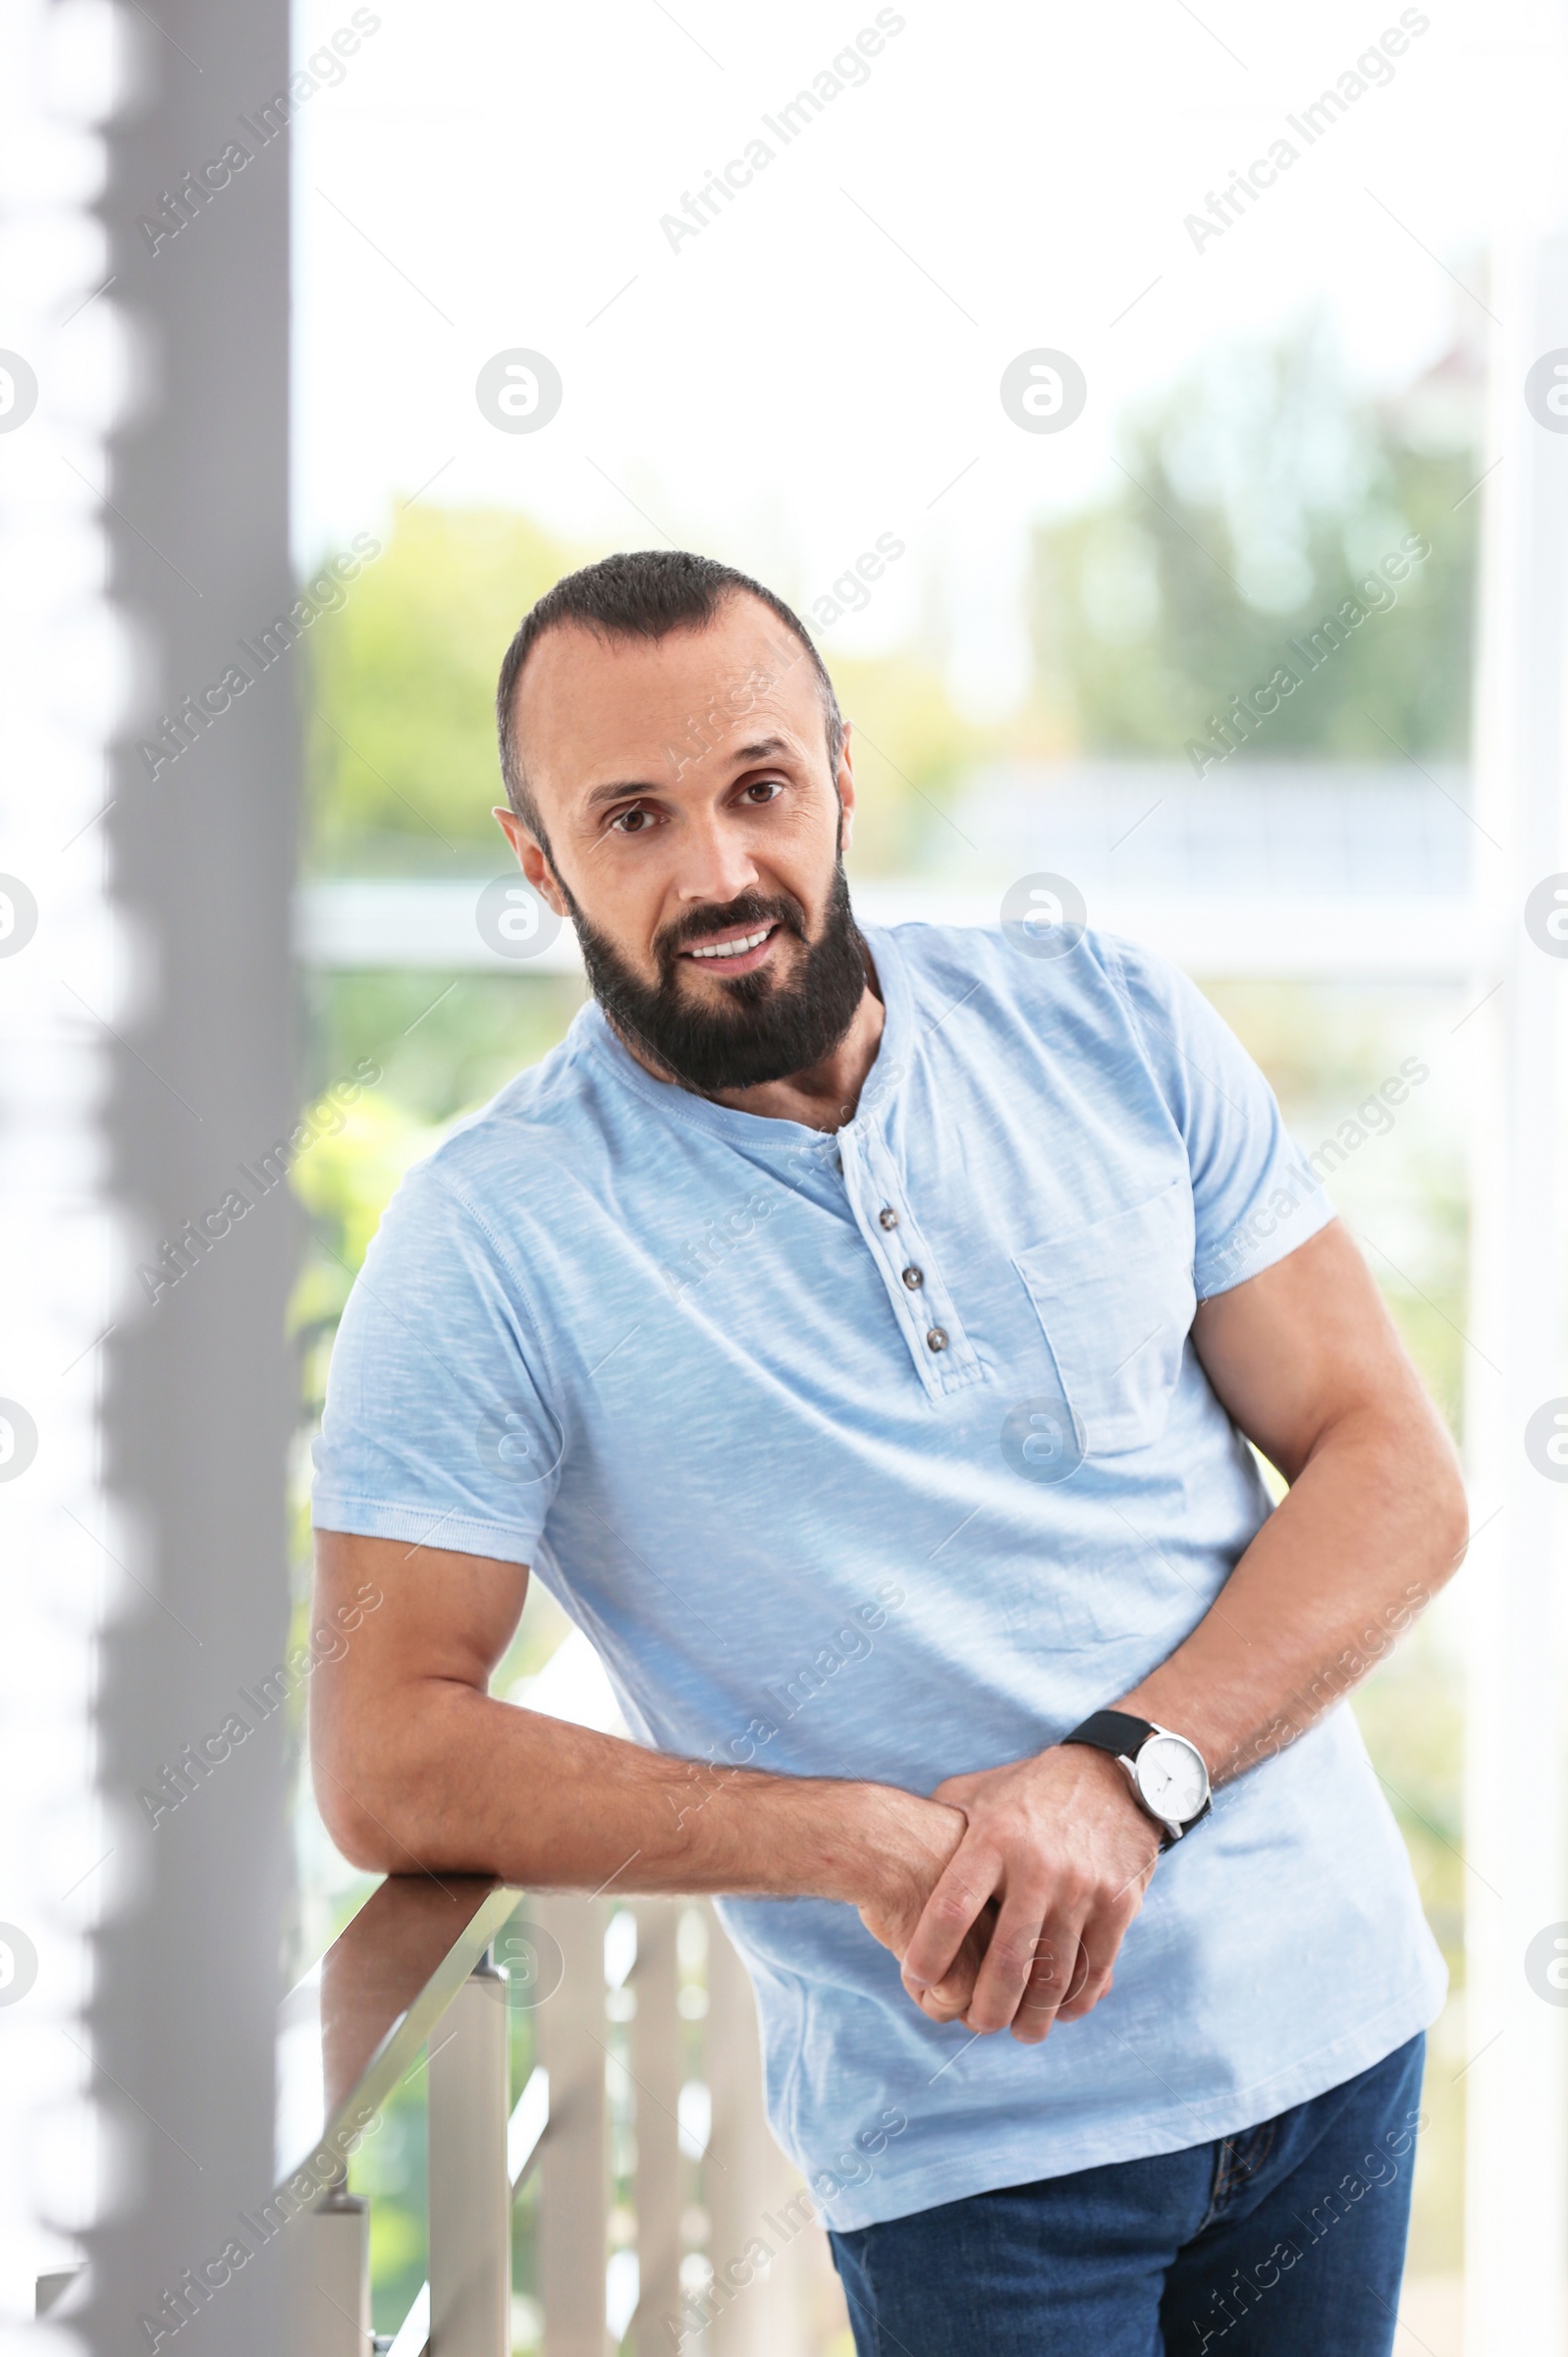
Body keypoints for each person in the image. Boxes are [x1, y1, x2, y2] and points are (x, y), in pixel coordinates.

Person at [309, 550, 1465, 2356]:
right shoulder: (487, 1241)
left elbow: (1390, 1466)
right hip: (976, 2155)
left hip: (1333, 2028)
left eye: (760, 788)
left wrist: (1122, 1776)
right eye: (631, 819)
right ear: (537, 864)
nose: (718, 873)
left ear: (841, 773)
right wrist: (838, 1838)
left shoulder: (1112, 1021)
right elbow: (391, 1753)